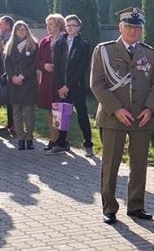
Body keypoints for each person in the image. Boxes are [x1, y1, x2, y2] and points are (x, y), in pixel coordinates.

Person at [90, 8, 154, 223]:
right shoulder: (104, 50)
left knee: (139, 164)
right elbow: (97, 84)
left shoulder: (148, 52)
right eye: (129, 26)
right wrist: (117, 109)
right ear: (120, 27)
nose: (133, 31)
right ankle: (109, 207)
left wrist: (149, 108)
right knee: (111, 164)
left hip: (142, 117)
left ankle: (136, 206)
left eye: (137, 27)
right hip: (114, 116)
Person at [50, 14, 94, 157]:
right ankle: (61, 143)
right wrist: (60, 86)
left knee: (82, 114)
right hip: (62, 86)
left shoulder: (83, 44)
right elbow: (56, 66)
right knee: (62, 114)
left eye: (73, 25)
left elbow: (82, 69)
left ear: (79, 27)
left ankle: (88, 144)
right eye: (68, 25)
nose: (69, 28)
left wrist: (68, 86)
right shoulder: (59, 43)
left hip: (77, 86)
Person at [3, 21, 38, 150]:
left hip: (28, 82)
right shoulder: (10, 45)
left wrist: (22, 76)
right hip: (14, 83)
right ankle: (20, 138)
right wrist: (12, 77)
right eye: (19, 30)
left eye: (23, 29)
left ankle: (29, 138)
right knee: (16, 112)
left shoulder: (33, 45)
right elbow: (7, 64)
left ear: (27, 30)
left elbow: (34, 64)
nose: (21, 32)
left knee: (29, 112)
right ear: (15, 32)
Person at [36, 14, 65, 150]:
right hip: (48, 80)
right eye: (47, 24)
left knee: (61, 110)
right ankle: (53, 139)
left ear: (59, 25)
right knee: (50, 110)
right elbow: (37, 60)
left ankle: (62, 139)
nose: (48, 27)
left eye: (51, 24)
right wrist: (44, 66)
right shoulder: (44, 42)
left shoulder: (65, 40)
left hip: (61, 80)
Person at [0, 15, 14, 134]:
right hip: (1, 71)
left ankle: (12, 125)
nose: (0, 26)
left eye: (2, 24)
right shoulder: (1, 36)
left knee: (11, 100)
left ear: (8, 25)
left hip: (10, 73)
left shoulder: (13, 38)